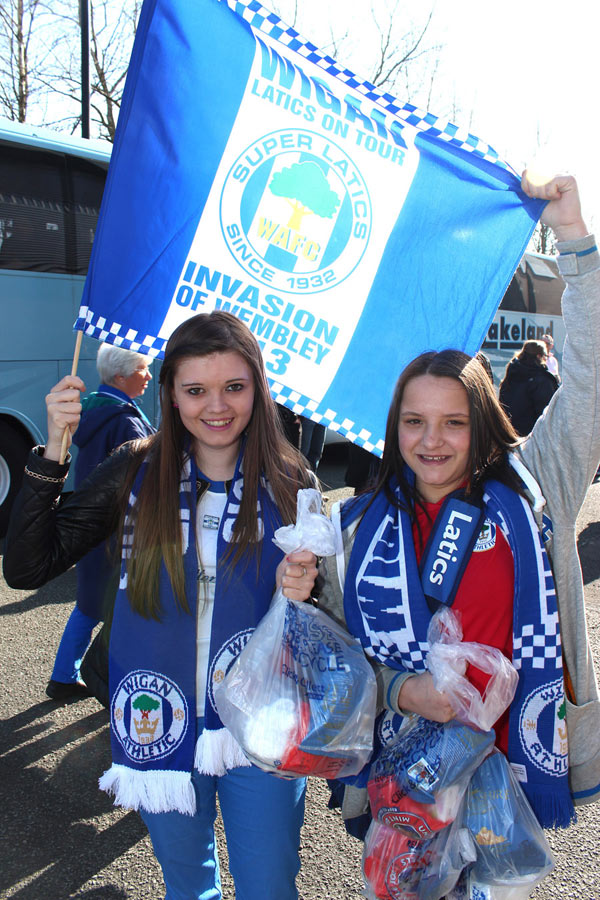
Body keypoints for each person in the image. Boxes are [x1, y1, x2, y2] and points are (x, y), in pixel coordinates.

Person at [317, 172, 600, 844]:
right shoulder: (358, 530)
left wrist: (574, 240)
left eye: (453, 421)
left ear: (481, 421)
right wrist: (398, 690)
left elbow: (590, 379)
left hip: (512, 773)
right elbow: (336, 661)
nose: (432, 441)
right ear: (394, 429)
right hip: (400, 779)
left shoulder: (535, 487)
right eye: (414, 422)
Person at [3, 311, 318, 900]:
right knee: (186, 887)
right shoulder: (134, 470)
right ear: (171, 392)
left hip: (263, 721)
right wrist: (52, 454)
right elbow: (25, 569)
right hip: (155, 716)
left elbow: (325, 613)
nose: (216, 406)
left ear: (258, 386)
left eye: (234, 387)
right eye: (196, 389)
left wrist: (309, 588)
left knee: (269, 887)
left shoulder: (289, 478)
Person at [47, 343, 155, 701]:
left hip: (93, 524)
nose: (149, 376)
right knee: (122, 608)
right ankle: (111, 684)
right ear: (122, 376)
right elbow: (144, 478)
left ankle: (64, 675)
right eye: (143, 369)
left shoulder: (92, 408)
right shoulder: (126, 420)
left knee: (88, 604)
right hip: (120, 529)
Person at [498, 337, 559, 435]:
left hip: (508, 434)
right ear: (539, 356)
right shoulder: (543, 379)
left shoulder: (511, 372)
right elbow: (548, 414)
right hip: (532, 438)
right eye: (545, 356)